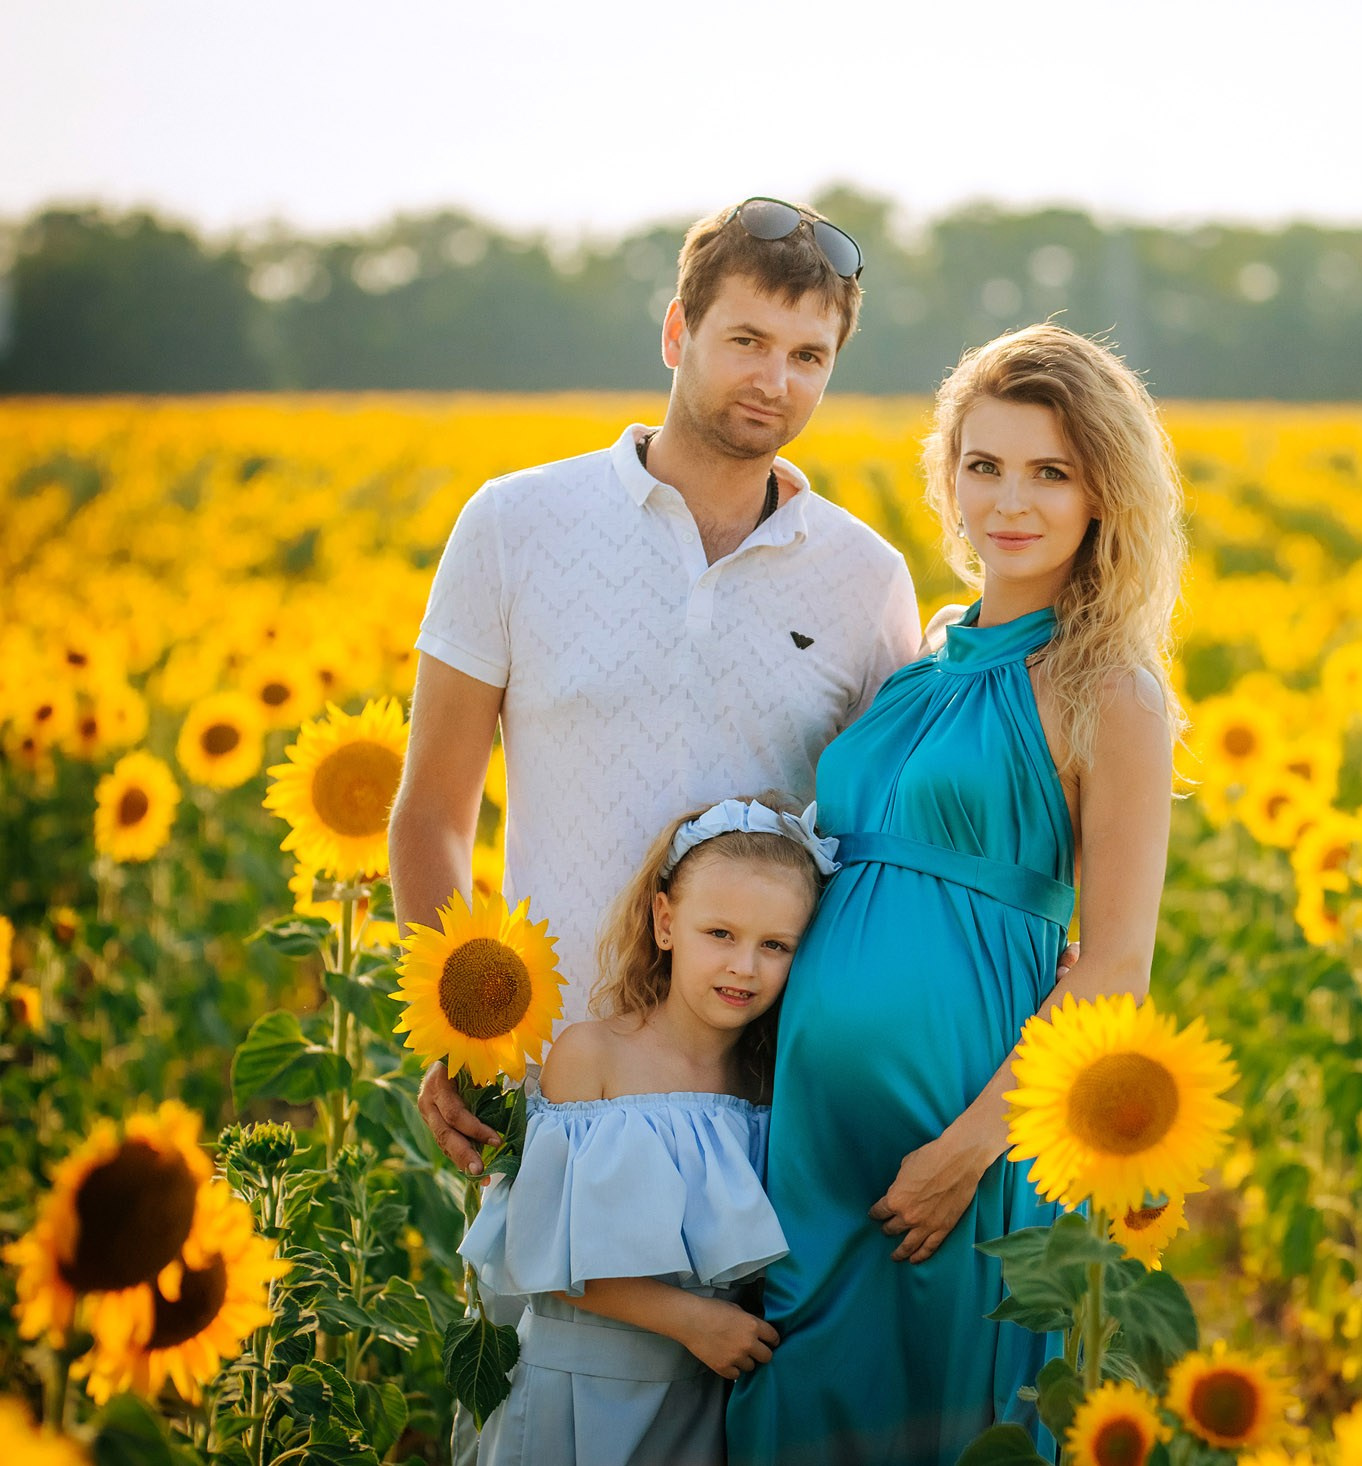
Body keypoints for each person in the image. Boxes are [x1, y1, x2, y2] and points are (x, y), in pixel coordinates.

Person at [722, 324, 1185, 1464]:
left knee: (940, 1421)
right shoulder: (921, 657)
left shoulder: (1110, 687)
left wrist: (972, 1144)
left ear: (1100, 494)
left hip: (965, 1135)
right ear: (949, 474)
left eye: (1050, 471)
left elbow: (1118, 964)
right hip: (818, 1137)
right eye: (983, 465)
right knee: (793, 1410)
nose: (1010, 501)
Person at [397, 196, 921, 1171]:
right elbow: (430, 812)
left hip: (769, 1114)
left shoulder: (866, 577)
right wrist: (454, 1027)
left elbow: (885, 851)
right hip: (549, 1094)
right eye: (747, 339)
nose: (774, 380)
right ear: (677, 332)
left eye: (808, 356)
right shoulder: (515, 525)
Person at [457, 795, 834, 1466]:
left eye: (775, 946)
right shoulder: (593, 1056)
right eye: (719, 934)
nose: (744, 967)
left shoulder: (770, 1085)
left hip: (702, 1402)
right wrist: (694, 1322)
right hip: (577, 1396)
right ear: (665, 922)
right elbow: (540, 1252)